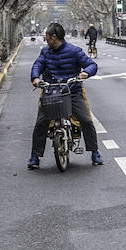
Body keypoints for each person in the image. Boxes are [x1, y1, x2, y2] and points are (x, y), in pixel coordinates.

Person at [28, 23, 102, 169]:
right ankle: (35, 156)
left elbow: (91, 64)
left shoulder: (74, 51)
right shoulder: (45, 52)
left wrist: (86, 72)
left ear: (54, 37)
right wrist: (35, 78)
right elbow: (37, 65)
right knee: (40, 123)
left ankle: (95, 152)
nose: (46, 39)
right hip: (51, 92)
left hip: (72, 92)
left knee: (86, 120)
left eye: (47, 37)